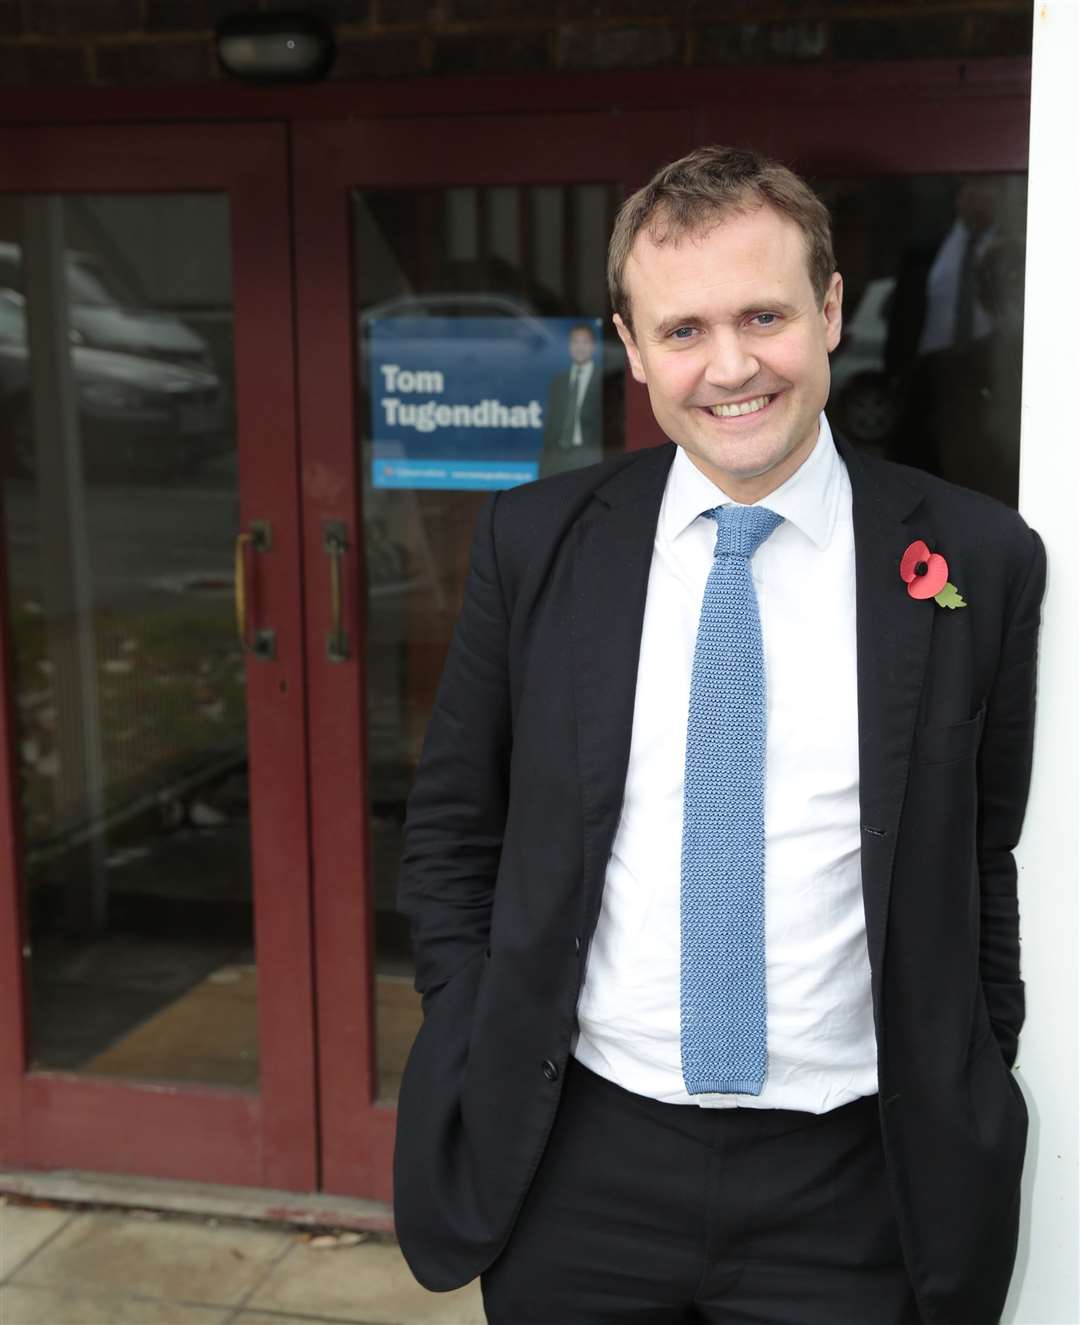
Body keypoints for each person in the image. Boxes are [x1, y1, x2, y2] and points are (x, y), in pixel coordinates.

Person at [394, 146, 1045, 1325]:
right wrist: (475, 1018)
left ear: (832, 310)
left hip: (855, 1187)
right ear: (632, 349)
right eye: (684, 329)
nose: (732, 365)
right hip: (578, 1167)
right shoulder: (537, 545)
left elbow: (985, 850)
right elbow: (451, 827)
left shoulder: (977, 562)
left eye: (764, 315)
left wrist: (975, 1055)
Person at [538, 320, 604, 476]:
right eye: (575, 342)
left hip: (589, 456)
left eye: (585, 342)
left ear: (593, 347)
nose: (580, 347)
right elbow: (551, 425)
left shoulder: (602, 379)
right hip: (558, 457)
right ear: (569, 347)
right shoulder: (558, 382)